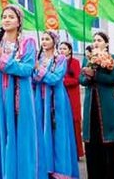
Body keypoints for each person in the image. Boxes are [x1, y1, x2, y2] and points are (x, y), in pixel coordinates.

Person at [0, 5, 37, 179]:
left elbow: (27, 69)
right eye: (4, 16)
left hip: (21, 97)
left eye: (11, 17)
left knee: (21, 137)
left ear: (19, 22)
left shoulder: (28, 42)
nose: (6, 20)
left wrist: (2, 56)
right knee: (1, 135)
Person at [33, 31, 79, 179]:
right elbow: (33, 78)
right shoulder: (38, 59)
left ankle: (60, 170)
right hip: (40, 99)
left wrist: (40, 72)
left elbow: (56, 78)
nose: (44, 42)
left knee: (58, 132)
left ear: (54, 41)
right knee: (41, 130)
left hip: (56, 100)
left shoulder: (60, 59)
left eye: (47, 39)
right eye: (43, 39)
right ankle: (44, 168)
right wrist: (41, 74)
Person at [80, 31, 114, 179]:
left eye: (99, 40)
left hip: (107, 105)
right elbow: (82, 80)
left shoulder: (113, 58)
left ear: (106, 43)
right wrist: (87, 75)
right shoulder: (87, 59)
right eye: (94, 40)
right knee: (92, 141)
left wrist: (96, 75)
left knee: (110, 142)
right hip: (91, 105)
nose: (96, 42)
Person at [59, 40, 84, 159]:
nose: (62, 51)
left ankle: (77, 152)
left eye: (64, 48)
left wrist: (63, 81)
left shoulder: (75, 62)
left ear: (70, 50)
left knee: (75, 122)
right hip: (61, 95)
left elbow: (77, 79)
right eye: (60, 48)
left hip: (72, 95)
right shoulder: (57, 61)